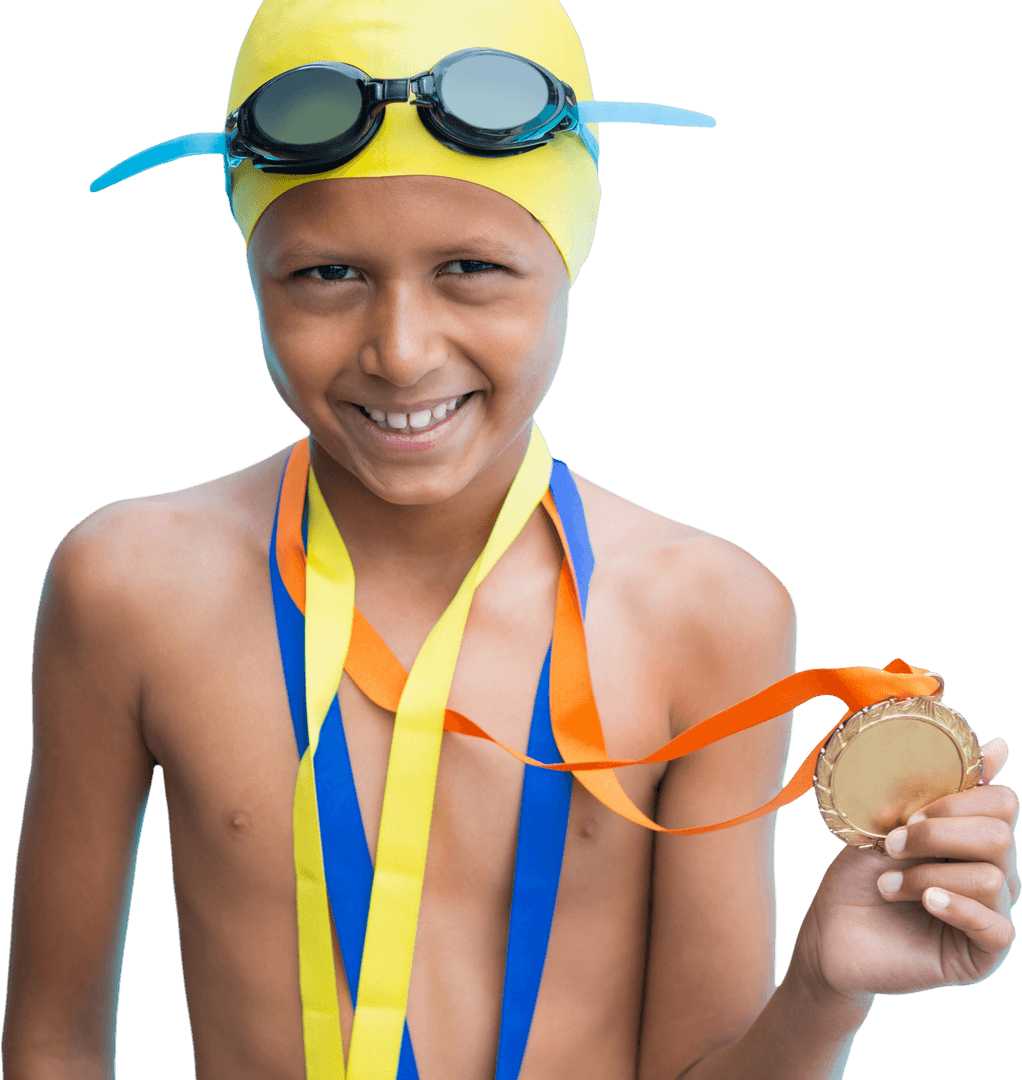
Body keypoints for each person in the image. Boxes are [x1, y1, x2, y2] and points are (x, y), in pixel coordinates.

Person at [3, 2, 1017, 1079]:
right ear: (251, 275)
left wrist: (821, 994)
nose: (399, 353)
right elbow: (53, 1042)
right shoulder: (130, 585)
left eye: (470, 270)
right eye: (325, 275)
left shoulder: (707, 613)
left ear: (567, 263)